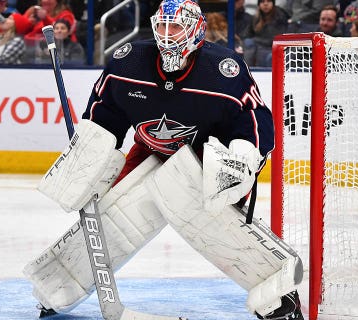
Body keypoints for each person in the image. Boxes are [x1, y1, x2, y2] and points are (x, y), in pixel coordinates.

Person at [24, 1, 304, 320]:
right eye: (163, 27)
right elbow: (104, 116)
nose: (168, 36)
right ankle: (60, 284)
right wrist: (86, 158)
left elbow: (254, 119)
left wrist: (242, 153)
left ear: (196, 30)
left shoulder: (224, 69)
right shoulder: (127, 64)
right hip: (148, 150)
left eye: (176, 27)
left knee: (211, 220)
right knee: (117, 216)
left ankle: (276, 292)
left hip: (201, 158)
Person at [244, 0, 289, 66]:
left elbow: (276, 39)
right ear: (259, 4)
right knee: (248, 42)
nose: (265, 4)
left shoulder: (280, 17)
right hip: (259, 47)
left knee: (266, 55)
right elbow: (247, 34)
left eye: (268, 1)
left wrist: (255, 40)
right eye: (262, 2)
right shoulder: (256, 17)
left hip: (274, 49)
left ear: (273, 3)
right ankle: (248, 70)